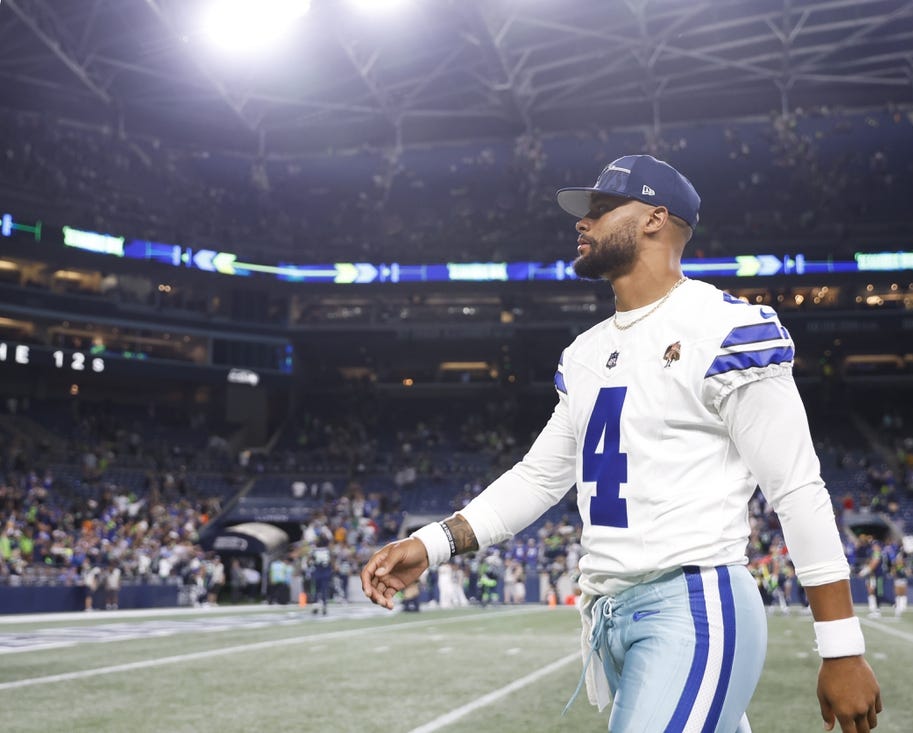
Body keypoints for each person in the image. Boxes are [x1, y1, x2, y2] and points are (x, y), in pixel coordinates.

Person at [361, 154, 882, 732]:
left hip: (694, 604)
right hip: (610, 616)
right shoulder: (585, 353)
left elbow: (797, 489)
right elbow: (539, 477)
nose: (582, 223)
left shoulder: (726, 329)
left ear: (656, 219)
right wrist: (431, 544)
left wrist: (841, 646)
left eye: (602, 209)